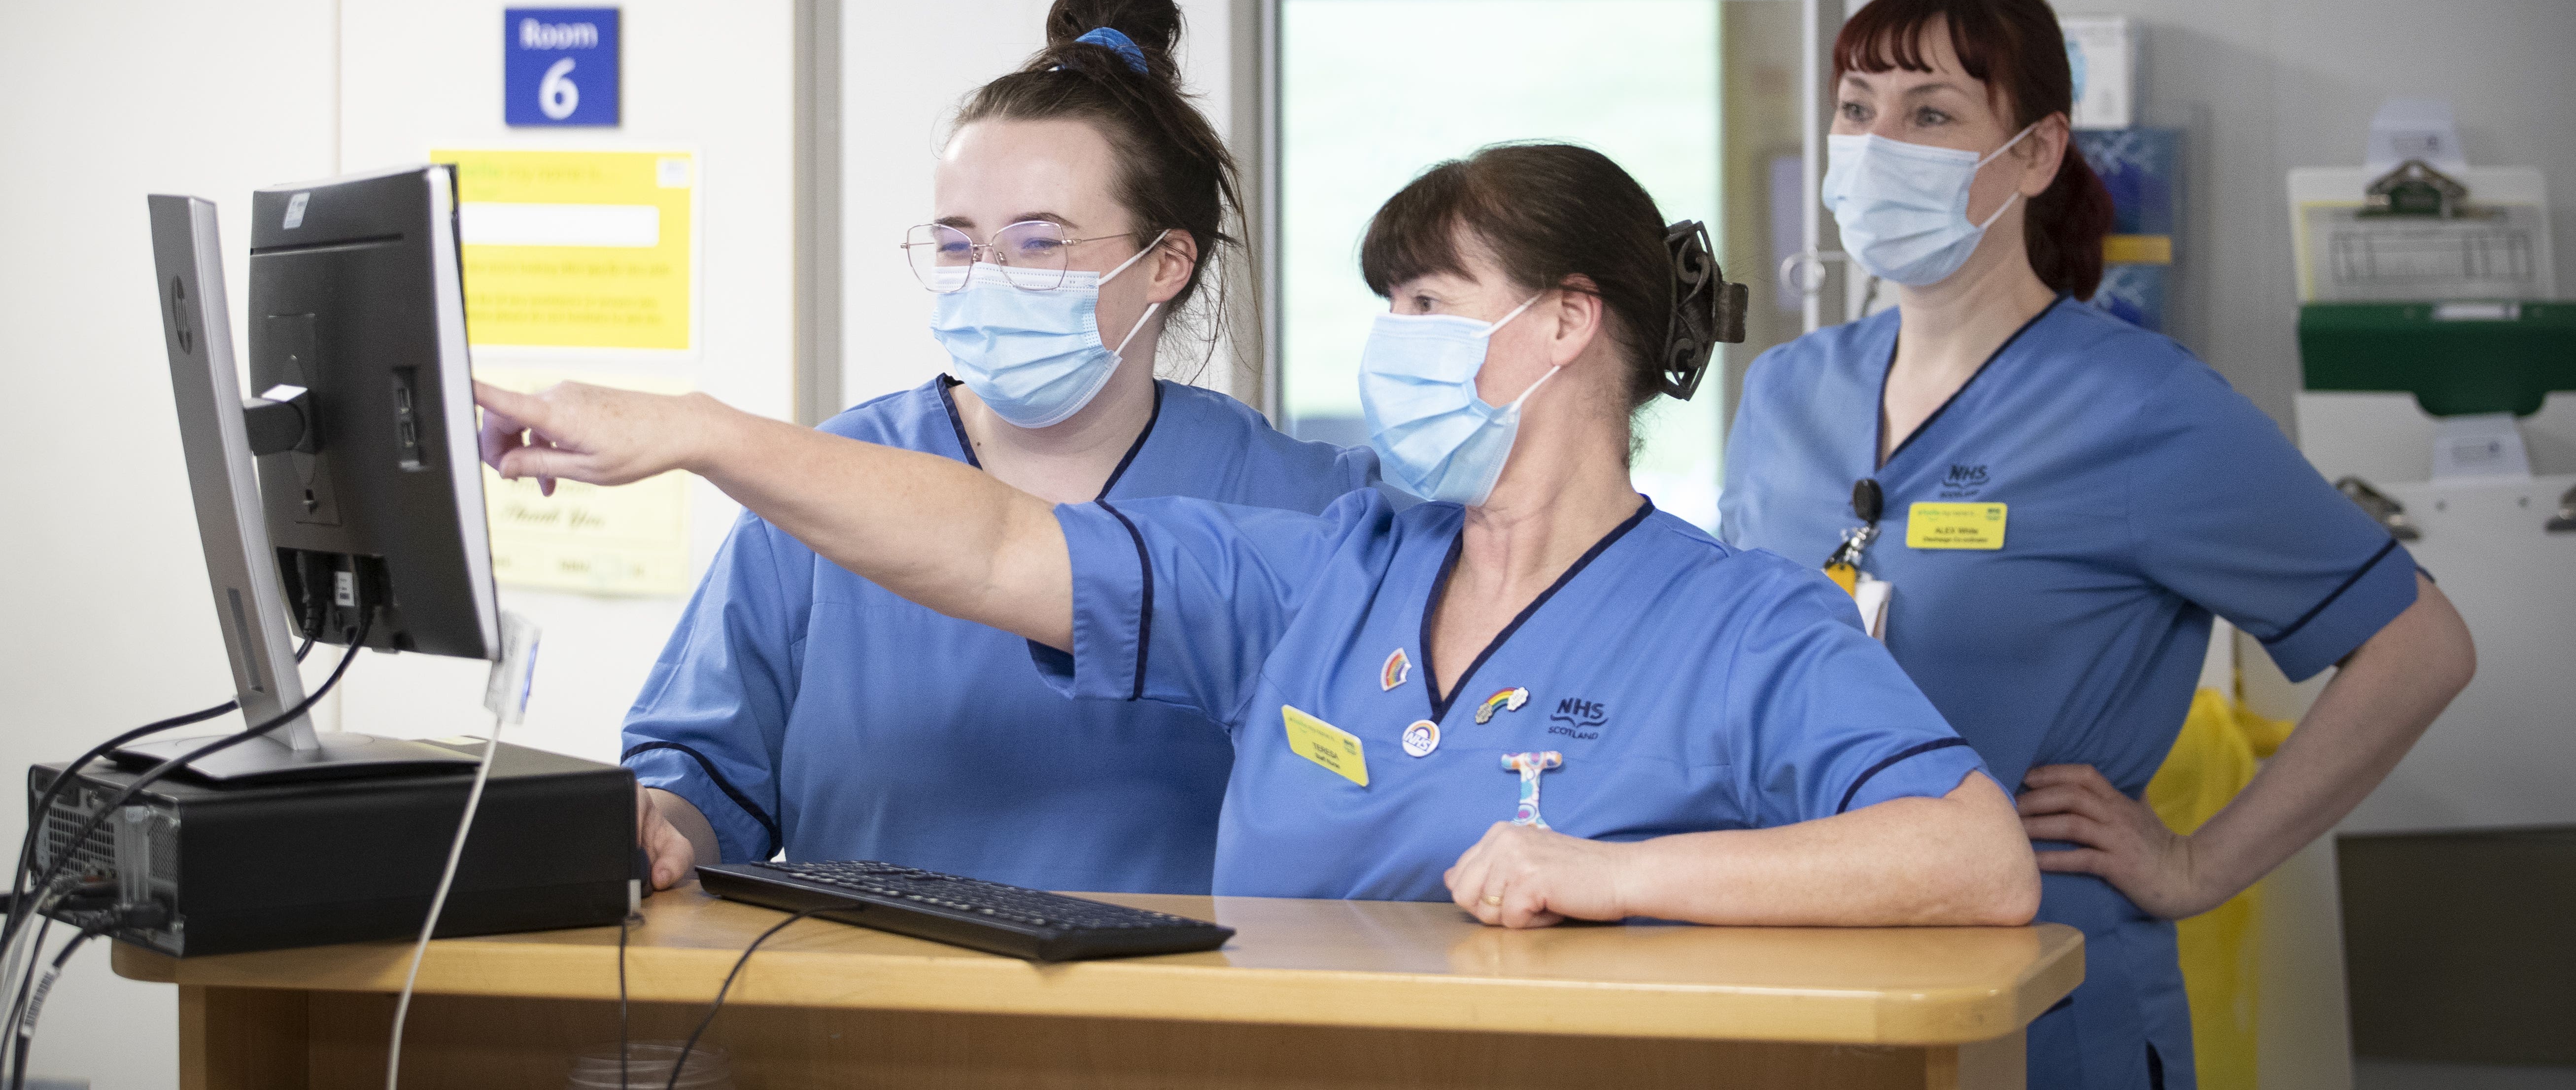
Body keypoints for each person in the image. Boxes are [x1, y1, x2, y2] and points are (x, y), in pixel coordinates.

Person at [485, 141, 2043, 929]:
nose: (1393, 343)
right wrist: (701, 429)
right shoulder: (1322, 563)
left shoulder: (1736, 620)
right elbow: (991, 544)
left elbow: (1972, 855)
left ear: (1569, 323)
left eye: (1428, 306)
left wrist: (1620, 874)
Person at [1719, 0, 2476, 1090]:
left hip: (2040, 998)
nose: (1878, 143)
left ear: (2031, 155)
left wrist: (2199, 866)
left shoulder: (2142, 410)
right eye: (1856, 108)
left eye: (1930, 113)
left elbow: (2421, 648)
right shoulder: (1784, 394)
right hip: (1793, 969)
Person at [618, 0, 1380, 895]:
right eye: (955, 243)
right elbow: (703, 777)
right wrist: (659, 828)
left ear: (1166, 264)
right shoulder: (832, 485)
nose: (985, 278)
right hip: (858, 1008)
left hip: (1180, 1018)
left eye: (1037, 242)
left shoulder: (1303, 500)